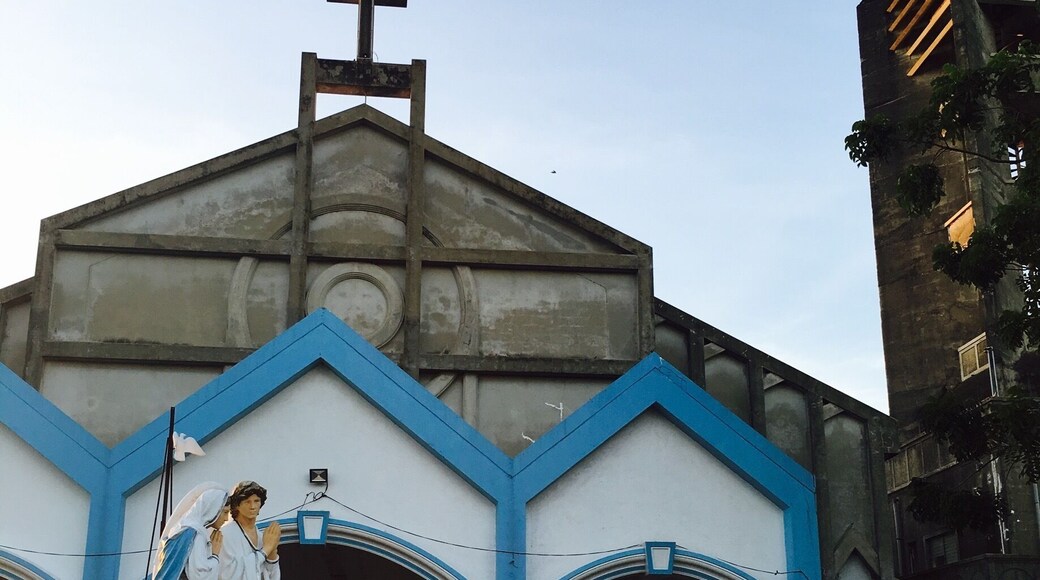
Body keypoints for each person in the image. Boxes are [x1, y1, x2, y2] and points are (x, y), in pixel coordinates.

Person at [153, 482, 230, 580]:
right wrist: (214, 555)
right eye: (225, 512)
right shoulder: (195, 534)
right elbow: (200, 576)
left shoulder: (182, 528)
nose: (227, 518)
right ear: (213, 508)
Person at [220, 481, 281, 580]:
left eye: (256, 501)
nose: (252, 506)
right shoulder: (225, 534)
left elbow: (271, 575)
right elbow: (228, 573)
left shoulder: (261, 536)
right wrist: (265, 550)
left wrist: (273, 552)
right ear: (237, 506)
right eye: (247, 502)